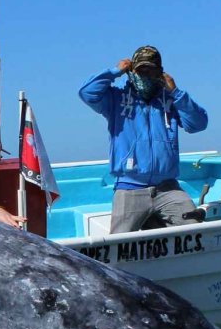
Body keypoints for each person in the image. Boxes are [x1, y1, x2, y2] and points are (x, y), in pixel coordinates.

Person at [78, 44, 209, 234]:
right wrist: (115, 71)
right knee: (120, 245)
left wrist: (176, 93)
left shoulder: (171, 101)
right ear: (132, 71)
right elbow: (87, 93)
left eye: (151, 70)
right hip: (129, 187)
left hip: (168, 188)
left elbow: (197, 124)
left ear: (160, 73)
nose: (146, 75)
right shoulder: (116, 99)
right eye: (141, 70)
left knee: (196, 232)